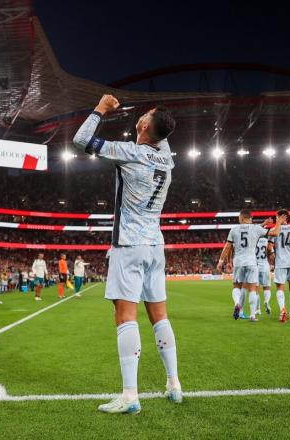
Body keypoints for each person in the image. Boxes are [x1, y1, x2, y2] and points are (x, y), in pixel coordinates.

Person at [73, 94, 180, 414]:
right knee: (160, 316)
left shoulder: (131, 153)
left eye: (146, 114)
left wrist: (100, 109)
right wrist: (153, 122)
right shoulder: (167, 157)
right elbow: (161, 134)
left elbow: (81, 141)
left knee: (125, 317)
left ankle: (130, 394)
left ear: (145, 125)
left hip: (130, 245)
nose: (143, 115)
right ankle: (174, 383)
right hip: (155, 246)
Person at [216, 211, 281, 321]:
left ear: (241, 218)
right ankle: (252, 315)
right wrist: (278, 222)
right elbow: (274, 233)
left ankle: (237, 303)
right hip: (252, 262)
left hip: (238, 262)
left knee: (236, 286)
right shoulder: (255, 228)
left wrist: (220, 261)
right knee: (252, 289)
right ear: (250, 218)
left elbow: (227, 247)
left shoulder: (234, 229)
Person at [267, 209, 290, 322]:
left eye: (276, 217)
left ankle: (282, 310)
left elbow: (269, 247)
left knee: (280, 288)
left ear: (281, 217)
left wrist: (272, 254)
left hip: (280, 262)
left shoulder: (274, 230)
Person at [256, 236, 273, 316]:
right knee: (266, 287)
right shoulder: (267, 241)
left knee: (256, 289)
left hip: (255, 266)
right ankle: (266, 301)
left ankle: (258, 309)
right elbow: (271, 253)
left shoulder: (253, 240)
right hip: (265, 266)